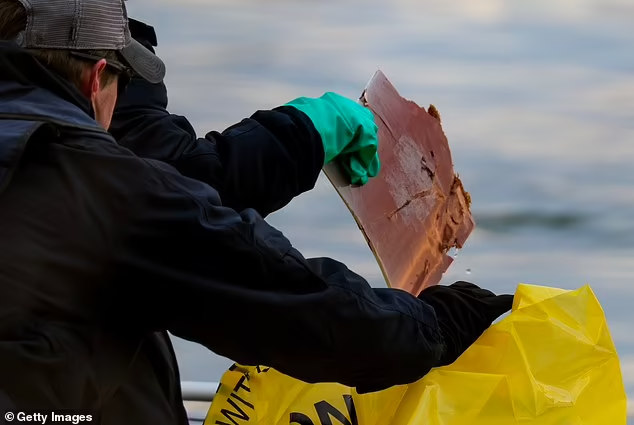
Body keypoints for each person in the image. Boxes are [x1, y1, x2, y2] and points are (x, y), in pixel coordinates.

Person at [0, 1, 513, 424]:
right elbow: (298, 306)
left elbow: (170, 182)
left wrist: (304, 135)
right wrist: (435, 323)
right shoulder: (109, 193)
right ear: (96, 81)